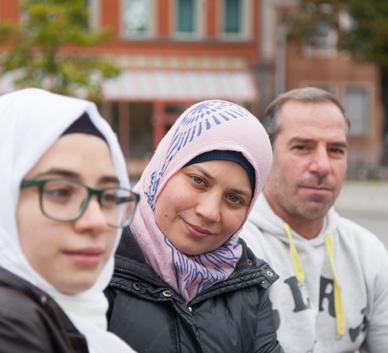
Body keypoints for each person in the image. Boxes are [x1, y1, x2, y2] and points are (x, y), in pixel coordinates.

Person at [106, 100, 284, 353]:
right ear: (166, 167)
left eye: (234, 198)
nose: (209, 212)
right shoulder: (97, 265)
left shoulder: (247, 284)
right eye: (199, 181)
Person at [241, 87, 388, 353]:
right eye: (302, 147)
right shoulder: (234, 248)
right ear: (266, 155)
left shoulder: (369, 254)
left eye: (335, 150)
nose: (322, 165)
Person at [0, 88, 139, 353]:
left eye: (109, 197)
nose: (96, 221)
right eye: (60, 192)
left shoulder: (75, 318)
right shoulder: (9, 325)